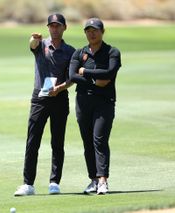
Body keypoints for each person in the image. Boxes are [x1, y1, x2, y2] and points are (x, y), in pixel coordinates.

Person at [14, 14, 75, 196]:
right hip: (40, 98)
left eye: (58, 26)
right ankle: (28, 184)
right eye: (52, 26)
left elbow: (72, 78)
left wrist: (61, 87)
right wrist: (33, 39)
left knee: (57, 142)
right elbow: (32, 45)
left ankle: (54, 182)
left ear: (64, 28)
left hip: (60, 97)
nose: (54, 29)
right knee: (33, 141)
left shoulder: (71, 51)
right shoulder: (41, 45)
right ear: (48, 28)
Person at [69, 18, 121, 195]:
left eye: (95, 30)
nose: (91, 33)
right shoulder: (79, 53)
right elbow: (72, 76)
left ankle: (103, 181)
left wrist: (86, 72)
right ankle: (93, 180)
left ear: (102, 32)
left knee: (99, 139)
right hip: (83, 102)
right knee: (87, 142)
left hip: (104, 103)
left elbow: (109, 73)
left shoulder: (112, 52)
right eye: (88, 30)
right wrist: (95, 80)